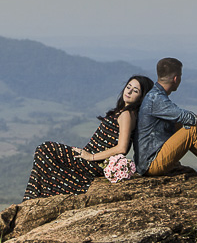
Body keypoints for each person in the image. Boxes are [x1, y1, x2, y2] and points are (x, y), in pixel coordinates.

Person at [23, 75, 155, 200]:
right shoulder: (124, 112)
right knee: (45, 153)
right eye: (128, 87)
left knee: (45, 149)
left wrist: (91, 157)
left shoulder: (127, 115)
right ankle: (34, 197)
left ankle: (32, 197)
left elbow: (122, 148)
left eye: (135, 90)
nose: (129, 91)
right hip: (89, 156)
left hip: (94, 161)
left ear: (141, 97)